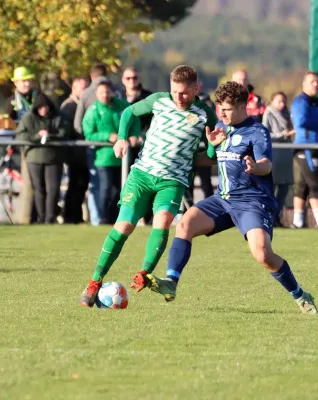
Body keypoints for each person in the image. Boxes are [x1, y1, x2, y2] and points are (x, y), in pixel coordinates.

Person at [135, 81, 318, 314]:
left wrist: (255, 166)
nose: (221, 113)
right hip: (222, 200)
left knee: (263, 254)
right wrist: (175, 157)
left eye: (227, 108)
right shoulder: (221, 127)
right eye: (219, 107)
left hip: (252, 201)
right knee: (185, 224)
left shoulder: (257, 131)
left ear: (244, 107)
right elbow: (209, 159)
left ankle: (300, 295)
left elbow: (266, 164)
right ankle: (171, 282)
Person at [79, 65, 218, 307]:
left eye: (184, 93)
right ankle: (94, 281)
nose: (179, 97)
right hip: (142, 175)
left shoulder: (206, 114)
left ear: (196, 89)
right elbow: (128, 113)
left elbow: (210, 152)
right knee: (124, 226)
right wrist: (122, 137)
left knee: (163, 220)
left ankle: (144, 273)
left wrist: (213, 145)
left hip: (173, 181)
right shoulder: (158, 101)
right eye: (174, 91)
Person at [82, 82, 139, 224]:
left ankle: (116, 218)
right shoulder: (93, 110)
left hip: (123, 157)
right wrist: (107, 136)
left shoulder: (122, 106)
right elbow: (88, 133)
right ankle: (103, 218)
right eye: (101, 92)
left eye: (107, 92)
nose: (105, 95)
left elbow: (135, 121)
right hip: (104, 157)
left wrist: (134, 135)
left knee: (120, 190)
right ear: (96, 94)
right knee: (105, 188)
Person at [17, 94, 71, 223]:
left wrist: (50, 135)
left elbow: (65, 132)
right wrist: (37, 136)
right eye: (40, 107)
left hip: (53, 158)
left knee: (52, 189)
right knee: (39, 189)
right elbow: (21, 136)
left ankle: (50, 218)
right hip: (34, 158)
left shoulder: (58, 117)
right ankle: (41, 217)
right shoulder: (28, 118)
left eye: (45, 107)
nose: (43, 110)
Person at [290, 72, 318, 230]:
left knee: (303, 185)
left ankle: (297, 222)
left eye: (317, 82)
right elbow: (300, 121)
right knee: (316, 183)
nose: (316, 84)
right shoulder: (300, 101)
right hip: (306, 148)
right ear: (304, 84)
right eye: (312, 81)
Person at [74, 64, 113, 226]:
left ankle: (97, 218)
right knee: (114, 185)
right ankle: (111, 217)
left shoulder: (85, 94)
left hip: (93, 145)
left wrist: (88, 137)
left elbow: (78, 123)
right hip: (114, 146)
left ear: (91, 76)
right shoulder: (114, 91)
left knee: (96, 185)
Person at [262, 92, 294, 227]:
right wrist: (283, 134)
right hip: (275, 152)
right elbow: (265, 133)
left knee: (285, 186)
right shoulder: (268, 113)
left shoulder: (287, 114)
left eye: (283, 101)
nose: (281, 104)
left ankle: (277, 215)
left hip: (286, 153)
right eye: (278, 101)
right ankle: (269, 217)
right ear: (272, 101)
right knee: (272, 185)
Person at [61, 77, 90, 224]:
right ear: (74, 88)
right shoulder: (69, 106)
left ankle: (76, 216)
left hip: (82, 154)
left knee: (81, 186)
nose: (86, 91)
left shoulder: (81, 105)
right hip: (75, 154)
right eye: (83, 88)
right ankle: (70, 216)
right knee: (75, 185)